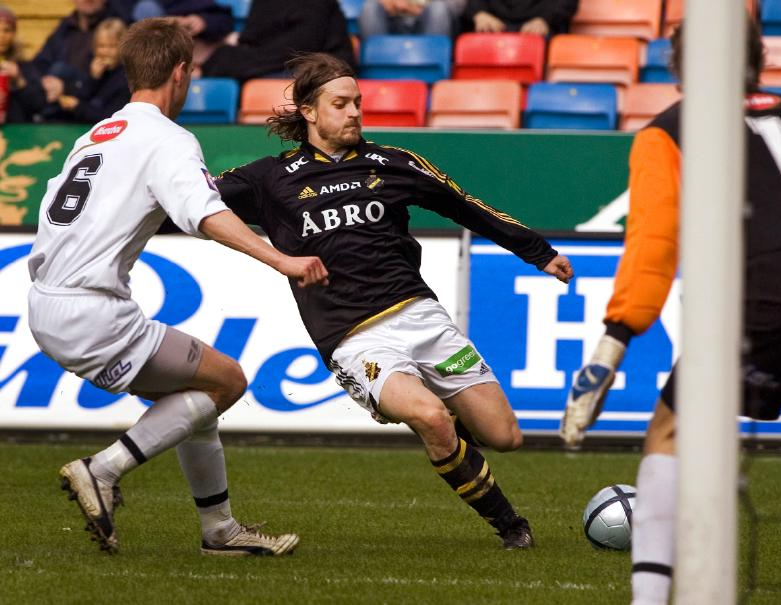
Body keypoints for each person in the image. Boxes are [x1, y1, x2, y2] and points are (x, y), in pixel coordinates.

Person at [214, 52, 573, 550]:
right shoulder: (269, 178)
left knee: (504, 435)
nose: (356, 112)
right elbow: (196, 203)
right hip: (353, 336)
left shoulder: (394, 162)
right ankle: (511, 524)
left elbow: (466, 206)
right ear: (309, 112)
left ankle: (451, 445)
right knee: (429, 415)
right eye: (341, 103)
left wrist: (539, 252)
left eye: (358, 102)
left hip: (423, 317)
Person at [561, 19, 781, 605]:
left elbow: (653, 244)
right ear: (760, 58)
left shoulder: (669, 131)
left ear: (677, 68)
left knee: (670, 433)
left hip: (764, 284)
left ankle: (649, 599)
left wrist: (615, 340)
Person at [32, 18, 328, 556]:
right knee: (228, 381)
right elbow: (207, 214)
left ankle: (219, 530)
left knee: (192, 400)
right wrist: (280, 258)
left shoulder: (98, 133)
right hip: (91, 309)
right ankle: (102, 469)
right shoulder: (166, 138)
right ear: (180, 73)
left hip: (46, 301)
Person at [201, 0, 355, 82]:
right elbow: (251, 38)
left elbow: (302, 48)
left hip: (320, 69)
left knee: (227, 63)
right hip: (277, 63)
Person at [44, 18, 130, 123]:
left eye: (112, 46)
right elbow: (81, 95)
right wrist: (93, 78)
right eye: (101, 46)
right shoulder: (92, 65)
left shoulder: (126, 78)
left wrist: (77, 107)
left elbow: (110, 117)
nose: (105, 52)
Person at [465, 0, 579, 36]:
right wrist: (479, 14)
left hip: (540, 27)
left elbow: (567, 3)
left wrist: (545, 20)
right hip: (492, 25)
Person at [359, 0, 466, 38]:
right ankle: (376, 68)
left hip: (430, 21)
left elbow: (457, 6)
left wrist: (414, 7)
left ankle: (430, 71)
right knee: (370, 7)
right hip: (390, 19)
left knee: (438, 9)